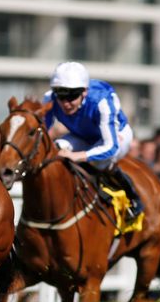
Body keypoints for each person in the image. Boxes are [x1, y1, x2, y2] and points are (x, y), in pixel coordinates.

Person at [43, 61, 143, 222]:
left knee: (101, 162)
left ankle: (134, 198)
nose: (65, 102)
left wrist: (79, 156)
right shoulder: (49, 99)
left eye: (72, 95)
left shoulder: (102, 102)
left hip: (115, 136)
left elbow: (109, 146)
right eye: (61, 95)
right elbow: (42, 133)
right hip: (81, 135)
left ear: (84, 92)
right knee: (57, 149)